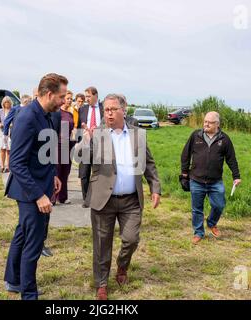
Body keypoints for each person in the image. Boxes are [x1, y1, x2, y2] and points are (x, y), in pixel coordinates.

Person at [77, 93, 161, 300]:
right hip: (103, 199)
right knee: (101, 243)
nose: (109, 113)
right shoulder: (96, 134)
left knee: (131, 239)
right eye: (106, 109)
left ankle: (122, 266)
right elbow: (78, 156)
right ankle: (101, 283)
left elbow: (149, 163)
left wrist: (155, 187)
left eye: (113, 109)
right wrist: (85, 142)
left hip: (131, 200)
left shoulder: (137, 135)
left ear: (124, 110)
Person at [3, 73, 66, 300]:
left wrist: (54, 176)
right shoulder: (27, 117)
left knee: (22, 233)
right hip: (29, 191)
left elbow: (44, 152)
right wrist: (39, 195)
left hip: (42, 184)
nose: (63, 101)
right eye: (61, 96)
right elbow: (16, 163)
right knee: (34, 242)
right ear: (49, 94)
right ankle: (28, 294)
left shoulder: (49, 115)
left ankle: (13, 279)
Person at [181, 111, 241, 244]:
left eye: (210, 122)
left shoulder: (224, 139)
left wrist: (236, 176)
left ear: (217, 124)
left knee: (219, 205)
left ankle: (212, 222)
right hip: (196, 179)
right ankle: (198, 232)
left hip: (215, 181)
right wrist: (184, 173)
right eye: (205, 121)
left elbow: (231, 159)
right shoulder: (196, 135)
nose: (206, 124)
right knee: (197, 209)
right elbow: (185, 154)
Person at [77, 86, 104, 206]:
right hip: (86, 144)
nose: (86, 99)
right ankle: (86, 199)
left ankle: (98, 198)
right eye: (85, 96)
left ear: (95, 95)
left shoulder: (104, 108)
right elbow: (78, 127)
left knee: (99, 173)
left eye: (88, 96)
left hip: (101, 144)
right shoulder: (82, 109)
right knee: (84, 173)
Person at [56, 90, 75, 204]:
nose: (69, 101)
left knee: (65, 171)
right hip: (58, 144)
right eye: (68, 98)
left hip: (68, 144)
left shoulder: (70, 114)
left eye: (71, 99)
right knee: (57, 170)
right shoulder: (57, 113)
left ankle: (62, 197)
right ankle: (54, 196)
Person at [0, 97, 13, 173]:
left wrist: (11, 125)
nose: (7, 103)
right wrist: (0, 124)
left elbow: (15, 121)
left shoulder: (13, 111)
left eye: (8, 102)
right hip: (2, 132)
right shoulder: (1, 111)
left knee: (8, 150)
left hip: (10, 132)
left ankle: (8, 166)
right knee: (2, 149)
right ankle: (2, 166)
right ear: (3, 103)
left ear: (10, 103)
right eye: (5, 102)